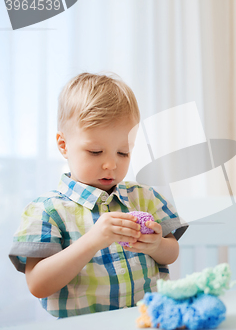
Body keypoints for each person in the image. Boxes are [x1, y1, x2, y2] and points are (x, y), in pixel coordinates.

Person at [9, 73, 188, 318]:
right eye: (95, 152)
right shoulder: (47, 210)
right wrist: (92, 240)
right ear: (64, 145)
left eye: (123, 153)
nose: (110, 165)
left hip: (146, 321)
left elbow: (172, 252)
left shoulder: (144, 197)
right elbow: (38, 285)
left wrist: (156, 245)